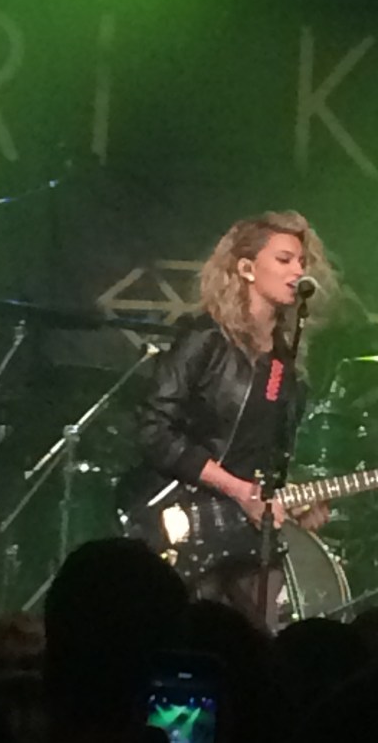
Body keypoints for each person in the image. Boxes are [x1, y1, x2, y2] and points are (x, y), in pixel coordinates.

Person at [120, 210, 336, 628]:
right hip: (183, 518)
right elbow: (154, 430)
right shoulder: (206, 338)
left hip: (249, 537)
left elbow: (266, 454)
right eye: (284, 259)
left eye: (302, 262)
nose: (298, 271)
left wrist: (294, 501)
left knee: (257, 643)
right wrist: (237, 489)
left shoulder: (286, 362)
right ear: (246, 269)